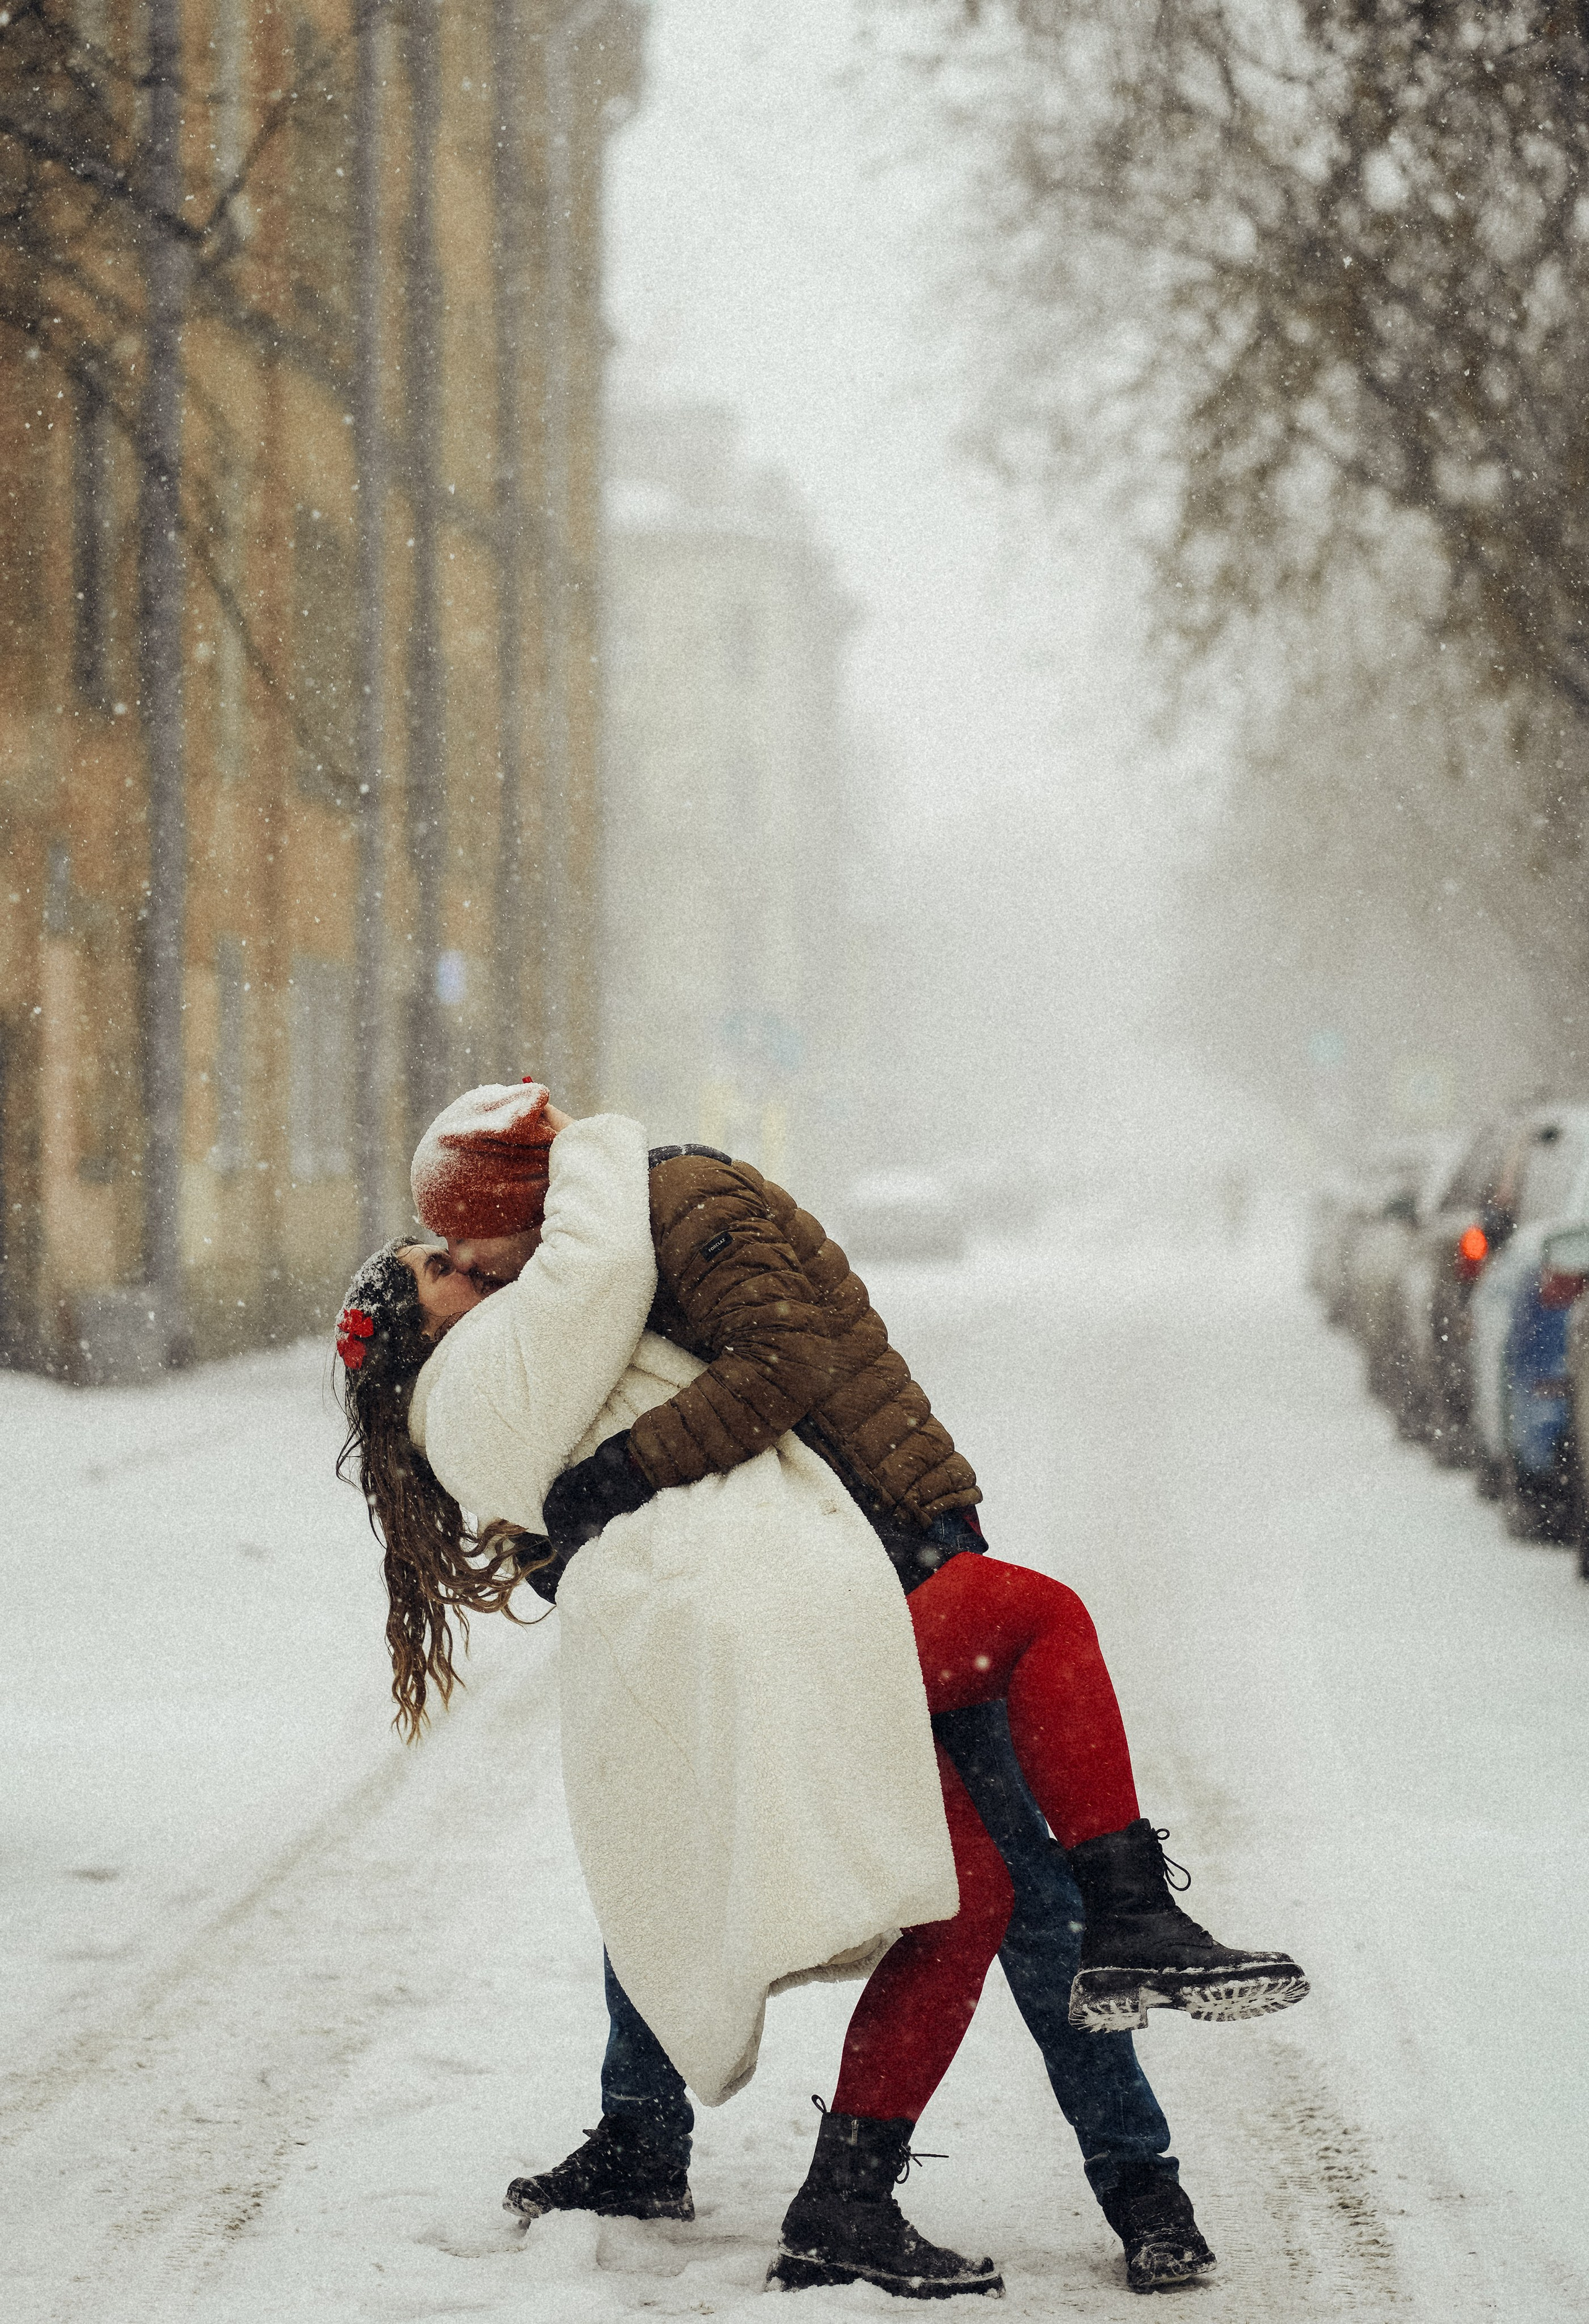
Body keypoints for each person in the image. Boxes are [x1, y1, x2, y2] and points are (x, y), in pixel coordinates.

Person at [338, 1096, 1307, 2302]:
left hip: (891, 1544)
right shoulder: (561, 1299)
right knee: (692, 1859)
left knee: (1028, 1896)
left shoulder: (677, 1204)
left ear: (513, 1210)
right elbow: (593, 1423)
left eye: (460, 1238)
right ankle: (685, 2150)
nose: (463, 1260)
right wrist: (583, 1521)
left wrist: (608, 1481)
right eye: (446, 1253)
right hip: (797, 1588)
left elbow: (779, 1365)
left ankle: (1140, 2187)